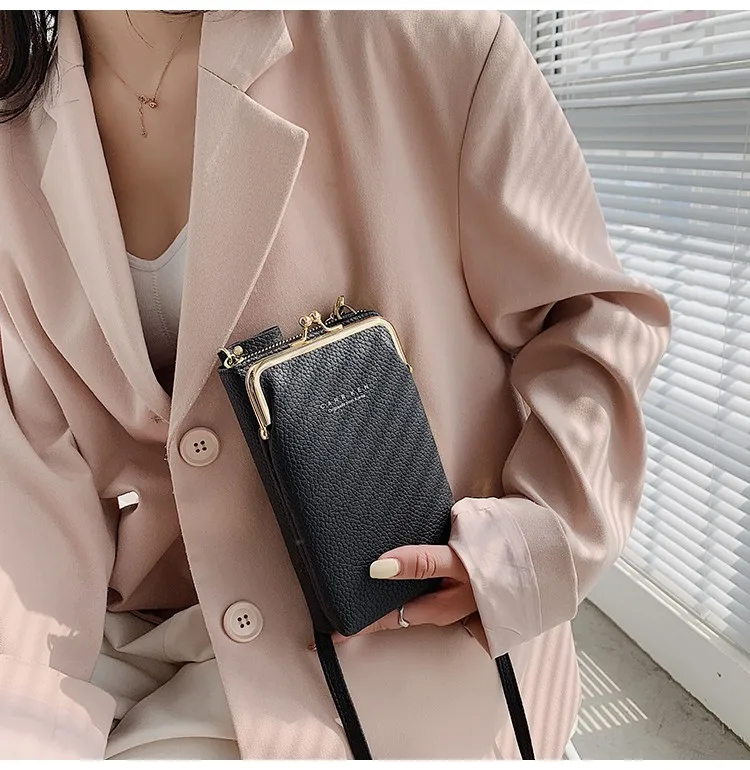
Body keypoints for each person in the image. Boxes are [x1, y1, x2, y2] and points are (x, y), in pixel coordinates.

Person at [0, 9, 671, 760]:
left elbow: (593, 318)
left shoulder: (422, 40)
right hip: (127, 628)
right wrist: (26, 698)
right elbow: (25, 456)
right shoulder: (14, 122)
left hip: (387, 631)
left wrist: (523, 549)